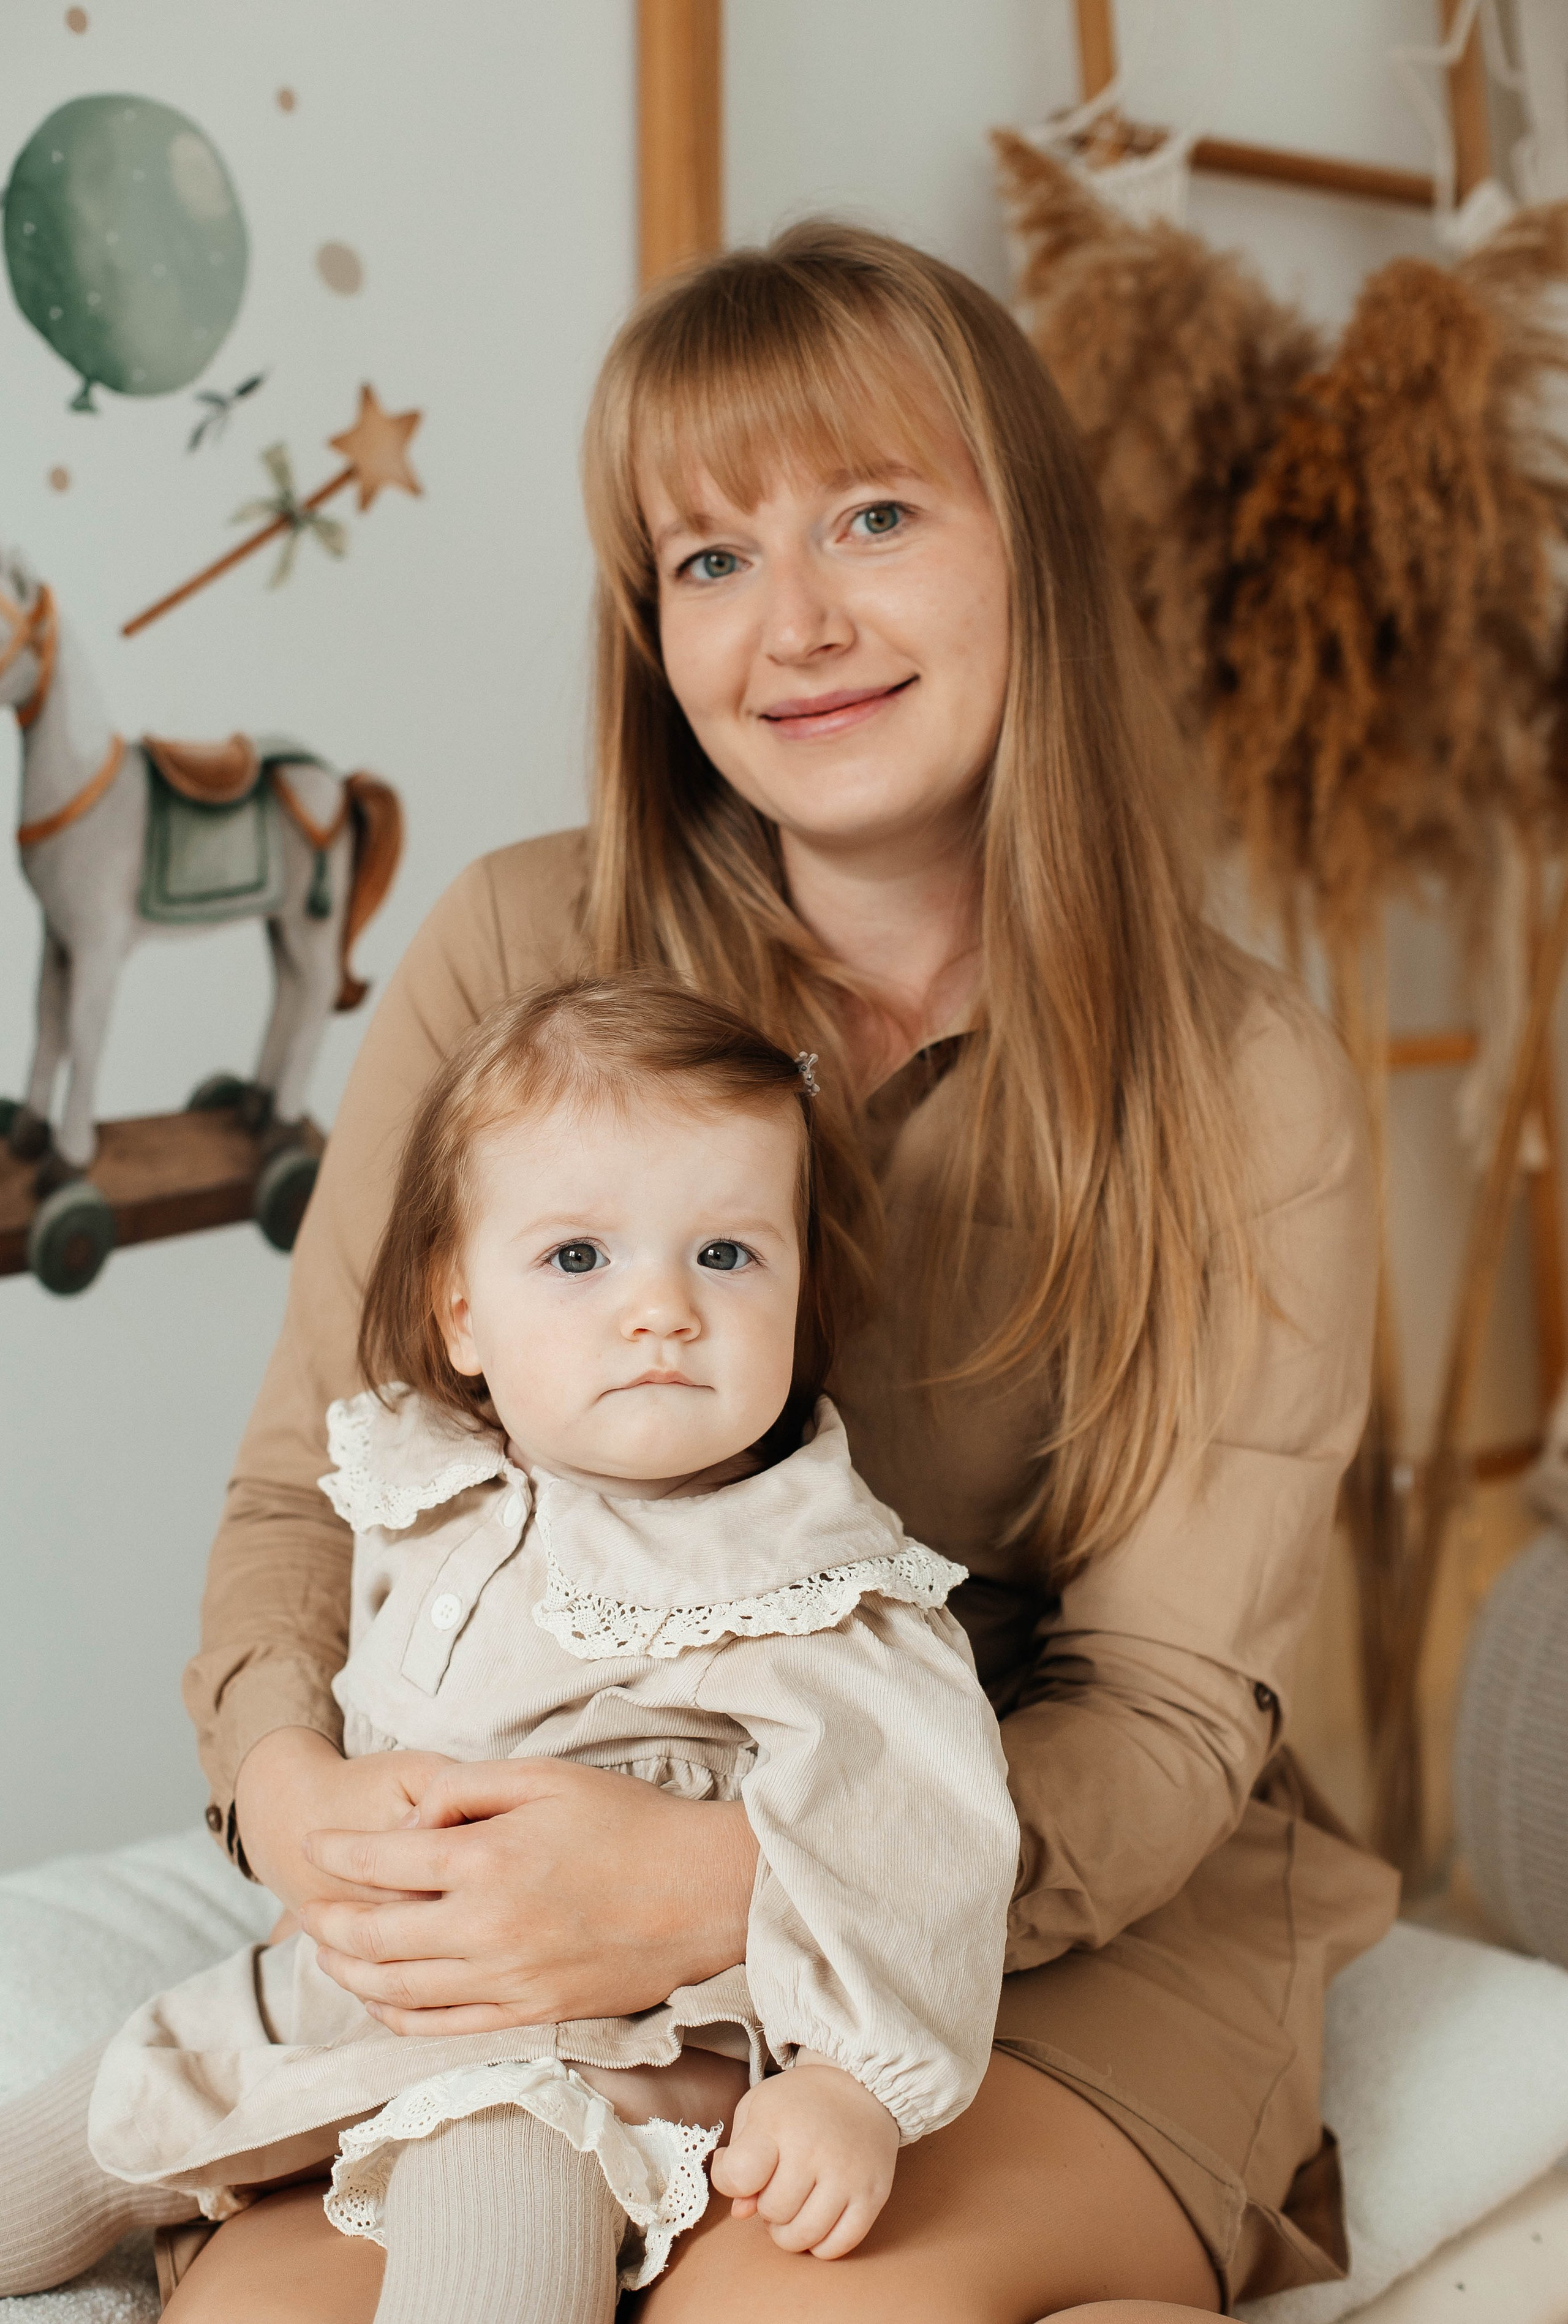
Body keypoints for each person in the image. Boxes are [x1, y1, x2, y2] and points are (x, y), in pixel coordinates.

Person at [160, 222, 1395, 2323]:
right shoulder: (510, 950)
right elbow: (308, 1490)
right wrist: (301, 1803)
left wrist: (742, 1888)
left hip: (1032, 1893)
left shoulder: (1246, 1079)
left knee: (784, 2306)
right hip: (568, 1791)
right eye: (709, 560)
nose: (793, 623)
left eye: (876, 516)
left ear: (1035, 557)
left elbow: (1167, 1705)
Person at [0, 979, 1019, 2323]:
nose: (660, 1308)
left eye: (724, 1255)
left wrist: (852, 2084)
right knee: (92, 2119)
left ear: (798, 1290)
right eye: (579, 1259)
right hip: (338, 1983)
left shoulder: (809, 1576)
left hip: (583, 2054)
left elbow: (915, 1847)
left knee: (494, 2207)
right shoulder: (431, 1477)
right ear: (463, 1314)